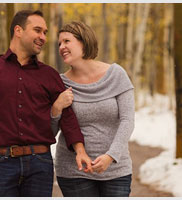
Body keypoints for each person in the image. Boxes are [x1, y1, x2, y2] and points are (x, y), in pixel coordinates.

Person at [0, 10, 92, 197]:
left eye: (45, 33)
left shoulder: (49, 75)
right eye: (38, 30)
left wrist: (80, 150)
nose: (43, 37)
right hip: (0, 164)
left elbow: (67, 115)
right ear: (18, 30)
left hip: (40, 164)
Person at [51, 21, 135, 197]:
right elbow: (51, 132)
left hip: (116, 170)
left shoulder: (116, 74)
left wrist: (110, 156)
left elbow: (128, 120)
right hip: (74, 171)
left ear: (84, 41)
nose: (61, 47)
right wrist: (56, 108)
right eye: (59, 43)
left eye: (67, 41)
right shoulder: (60, 83)